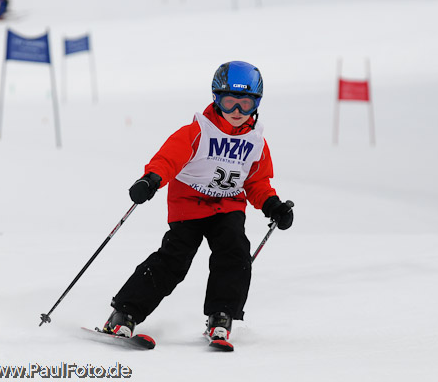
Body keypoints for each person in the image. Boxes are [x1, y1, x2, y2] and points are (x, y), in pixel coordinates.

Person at [102, 61, 294, 342]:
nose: (237, 112)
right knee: (174, 260)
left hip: (227, 205)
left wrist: (272, 205)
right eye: (229, 103)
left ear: (257, 104)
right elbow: (169, 158)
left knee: (235, 251)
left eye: (246, 104)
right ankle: (124, 313)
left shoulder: (256, 142)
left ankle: (222, 315)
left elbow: (256, 182)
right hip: (188, 203)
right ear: (216, 100)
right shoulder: (198, 131)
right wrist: (151, 180)